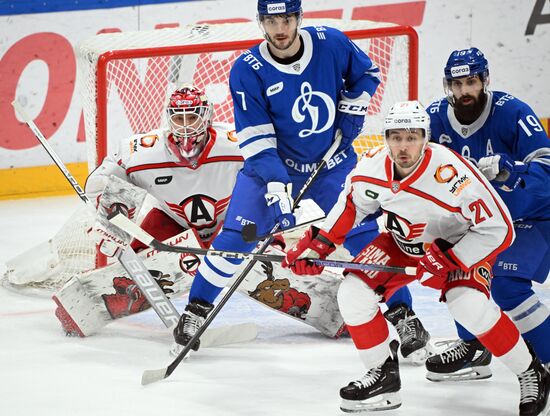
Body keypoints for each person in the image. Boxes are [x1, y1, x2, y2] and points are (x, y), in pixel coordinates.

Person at [282, 100, 550, 415]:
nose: (403, 146)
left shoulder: (451, 176)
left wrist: (451, 258)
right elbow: (353, 206)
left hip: (457, 245)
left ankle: (530, 371)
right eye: (396, 137)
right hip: (403, 242)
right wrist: (319, 245)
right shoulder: (371, 167)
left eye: (412, 137)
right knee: (352, 292)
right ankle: (382, 375)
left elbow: (499, 229)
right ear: (385, 139)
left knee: (466, 303)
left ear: (425, 137)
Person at [170, 0, 387, 350]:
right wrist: (275, 185)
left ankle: (404, 317)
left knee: (364, 238)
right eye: (271, 21)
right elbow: (257, 136)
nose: (280, 29)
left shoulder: (331, 42)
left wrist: (354, 105)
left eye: (286, 19)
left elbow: (367, 73)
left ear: (299, 18)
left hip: (330, 169)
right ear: (261, 22)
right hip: (269, 173)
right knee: (240, 237)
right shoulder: (247, 68)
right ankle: (196, 310)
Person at [424, 47, 550, 382]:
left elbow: (547, 170)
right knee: (458, 270)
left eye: (471, 82)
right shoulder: (434, 118)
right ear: (447, 85)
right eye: (457, 84)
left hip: (531, 214)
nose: (464, 91)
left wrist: (514, 172)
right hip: (481, 220)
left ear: (485, 80)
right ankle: (474, 348)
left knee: (507, 285)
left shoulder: (513, 112)